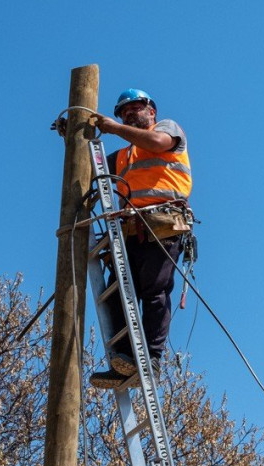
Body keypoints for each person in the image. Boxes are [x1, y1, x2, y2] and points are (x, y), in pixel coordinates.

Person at [87, 88, 193, 389]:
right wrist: (76, 135)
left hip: (163, 225)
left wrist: (113, 127)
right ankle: (123, 360)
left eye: (135, 108)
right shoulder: (122, 157)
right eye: (123, 112)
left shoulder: (167, 130)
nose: (129, 114)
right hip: (131, 230)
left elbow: (157, 142)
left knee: (154, 291)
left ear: (151, 111)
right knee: (117, 293)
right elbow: (88, 167)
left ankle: (152, 359)